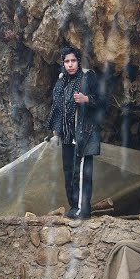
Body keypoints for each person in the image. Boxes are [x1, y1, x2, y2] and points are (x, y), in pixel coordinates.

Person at [47, 45, 105, 219]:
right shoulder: (61, 80)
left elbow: (103, 101)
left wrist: (86, 99)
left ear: (78, 62)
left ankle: (82, 210)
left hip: (83, 134)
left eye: (73, 61)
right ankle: (73, 207)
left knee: (81, 174)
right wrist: (56, 130)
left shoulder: (88, 77)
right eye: (67, 61)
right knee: (68, 171)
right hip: (66, 135)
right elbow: (57, 106)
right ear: (63, 63)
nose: (70, 64)